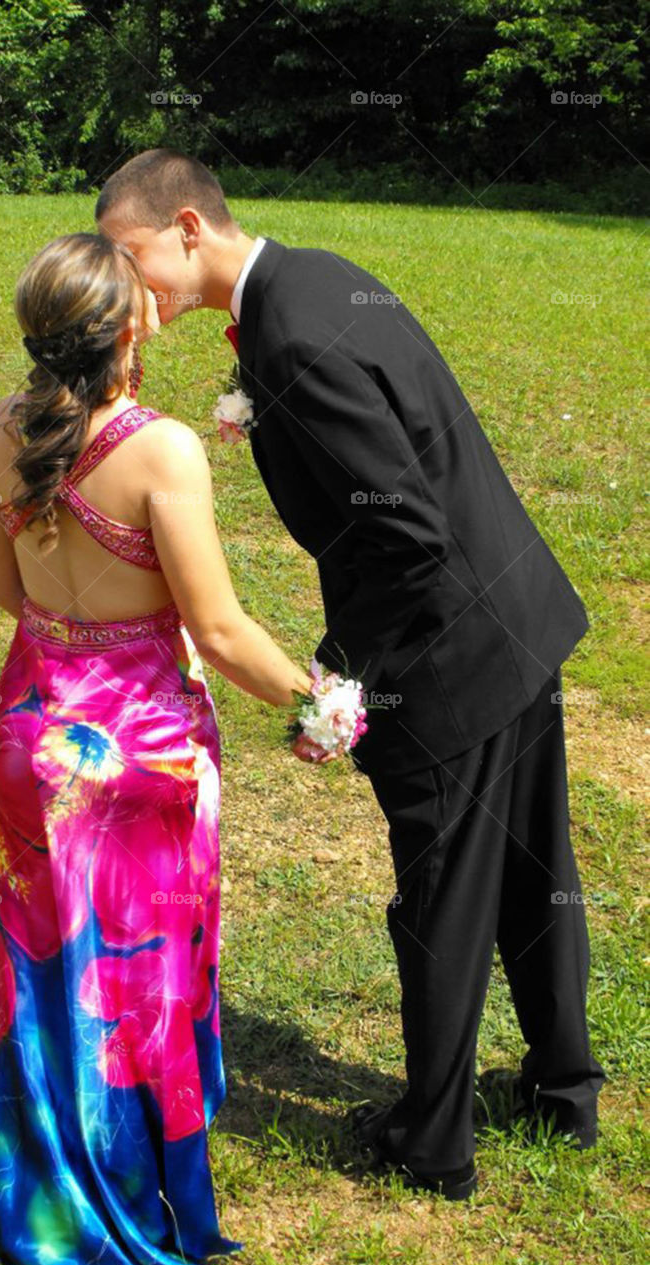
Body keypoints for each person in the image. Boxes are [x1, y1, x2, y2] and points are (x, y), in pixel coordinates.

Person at [96, 150, 606, 1200]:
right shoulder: (316, 276)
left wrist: (336, 682)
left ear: (186, 227)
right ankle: (563, 1088)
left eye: (129, 253)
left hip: (447, 653)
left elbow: (405, 536)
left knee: (441, 900)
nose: (126, 281)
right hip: (512, 615)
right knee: (528, 873)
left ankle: (432, 1143)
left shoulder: (286, 335)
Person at [0, 231, 312, 1265]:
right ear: (131, 327)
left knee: (42, 967)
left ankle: (35, 1184)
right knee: (134, 977)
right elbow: (223, 628)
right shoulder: (160, 450)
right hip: (136, 746)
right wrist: (322, 701)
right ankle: (124, 1189)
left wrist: (72, 638)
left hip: (32, 729)